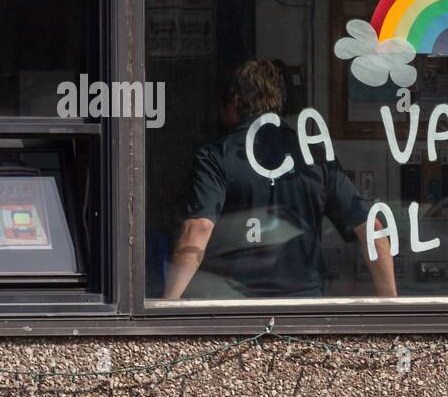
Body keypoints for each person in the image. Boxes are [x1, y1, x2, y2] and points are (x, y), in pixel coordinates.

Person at [163, 60, 396, 299]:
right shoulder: (314, 156)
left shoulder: (216, 157)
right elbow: (373, 228)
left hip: (235, 307)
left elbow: (199, 228)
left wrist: (167, 307)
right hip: (304, 307)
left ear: (235, 101)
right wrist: (391, 309)